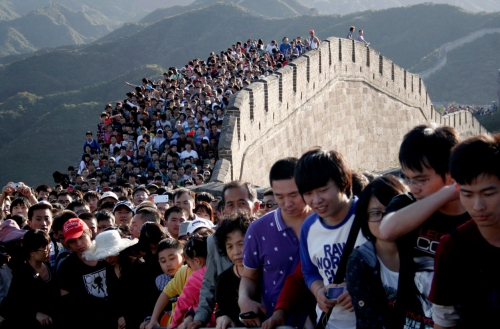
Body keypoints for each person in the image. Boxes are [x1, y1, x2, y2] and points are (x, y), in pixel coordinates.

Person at [378, 125, 470, 327]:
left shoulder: (475, 214)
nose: (413, 188)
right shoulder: (406, 203)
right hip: (411, 320)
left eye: (421, 180)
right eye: (407, 178)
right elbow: (386, 230)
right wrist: (449, 191)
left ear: (450, 172)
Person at [429, 133, 500, 328]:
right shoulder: (453, 248)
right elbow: (444, 321)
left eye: (489, 193)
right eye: (467, 194)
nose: (477, 206)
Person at [296, 148, 366, 329]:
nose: (316, 200)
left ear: (343, 182)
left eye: (323, 190)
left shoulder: (369, 214)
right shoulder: (308, 227)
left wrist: (361, 289)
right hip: (331, 323)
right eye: (308, 193)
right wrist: (318, 291)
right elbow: (310, 272)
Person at [239, 158, 313, 327]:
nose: (287, 203)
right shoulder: (258, 230)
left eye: (294, 195)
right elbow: (249, 277)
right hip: (275, 323)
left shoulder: (324, 223)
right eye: (279, 196)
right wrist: (244, 298)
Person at [189, 181, 260, 329]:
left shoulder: (266, 236)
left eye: (242, 203)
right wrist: (200, 318)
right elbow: (209, 284)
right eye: (230, 204)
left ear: (256, 206)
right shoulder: (214, 241)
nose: (236, 209)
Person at [346, 175, 412, 329]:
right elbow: (368, 320)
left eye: (391, 211)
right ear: (365, 219)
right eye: (376, 213)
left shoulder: (422, 252)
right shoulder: (359, 262)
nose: (385, 220)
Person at [57, 218, 114, 329]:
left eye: (81, 237)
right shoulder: (66, 267)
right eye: (73, 240)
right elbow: (67, 301)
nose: (78, 244)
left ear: (90, 233)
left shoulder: (108, 255)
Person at [83, 229, 142, 329]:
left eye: (110, 254)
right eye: (104, 256)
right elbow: (113, 299)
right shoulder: (108, 269)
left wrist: (128, 317)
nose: (108, 259)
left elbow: (142, 297)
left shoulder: (137, 265)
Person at [0, 229, 59, 328]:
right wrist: (34, 313)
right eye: (45, 249)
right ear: (32, 252)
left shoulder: (46, 264)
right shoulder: (22, 276)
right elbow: (14, 306)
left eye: (50, 247)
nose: (49, 251)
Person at [214, 212, 254, 329]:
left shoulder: (269, 273)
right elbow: (222, 310)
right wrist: (222, 317)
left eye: (241, 244)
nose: (236, 252)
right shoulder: (223, 280)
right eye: (230, 246)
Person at [145, 238, 192, 329]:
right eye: (163, 261)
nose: (168, 264)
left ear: (183, 257)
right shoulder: (160, 281)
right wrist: (153, 319)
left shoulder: (190, 271)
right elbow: (165, 294)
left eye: (172, 258)